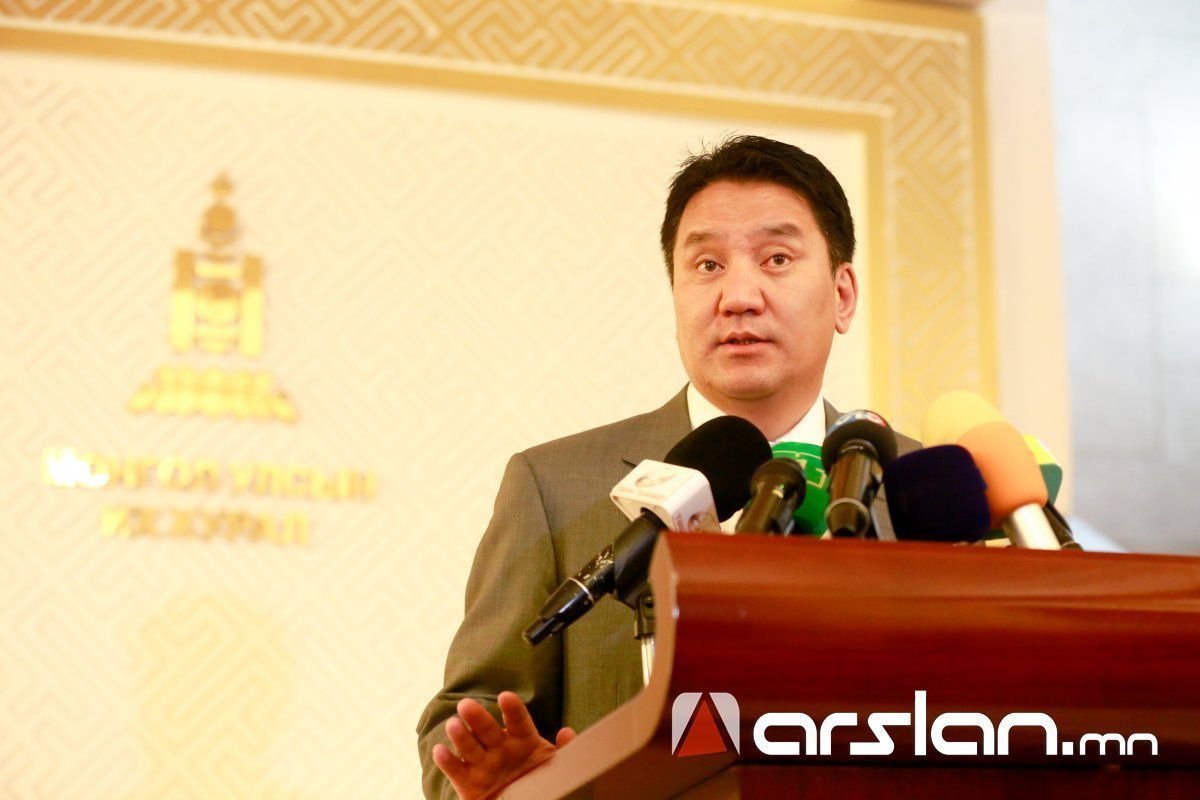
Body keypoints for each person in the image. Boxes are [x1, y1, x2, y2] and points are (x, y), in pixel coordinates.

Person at [416, 134, 919, 799]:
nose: (739, 296)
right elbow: (466, 729)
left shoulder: (922, 488)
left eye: (776, 259)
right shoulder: (555, 487)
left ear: (843, 293)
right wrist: (508, 786)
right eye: (707, 265)